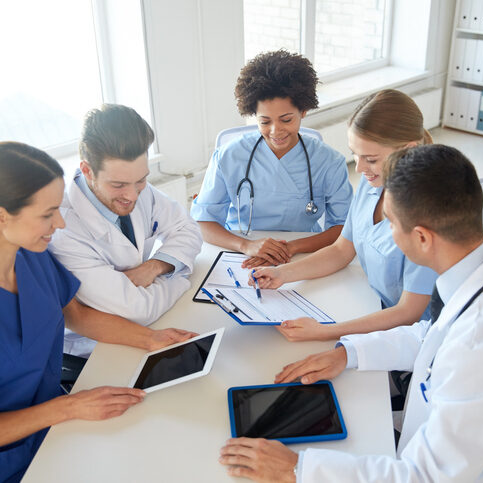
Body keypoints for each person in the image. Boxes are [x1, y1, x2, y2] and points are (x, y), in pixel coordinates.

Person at [219, 144, 483, 482]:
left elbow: (424, 477)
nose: (387, 230)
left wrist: (299, 469)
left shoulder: (481, 345)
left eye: (391, 222)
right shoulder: (476, 270)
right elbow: (432, 336)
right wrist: (349, 352)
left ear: (422, 238)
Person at [0, 142, 198, 483]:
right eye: (48, 214)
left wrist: (152, 339)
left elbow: (77, 313)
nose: (60, 223)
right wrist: (71, 407)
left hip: (57, 428)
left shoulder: (31, 256)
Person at [252, 90, 437, 342]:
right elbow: (341, 250)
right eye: (355, 155)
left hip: (410, 336)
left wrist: (326, 332)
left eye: (370, 159)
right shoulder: (373, 182)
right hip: (367, 303)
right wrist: (284, 273)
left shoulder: (428, 214)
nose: (359, 168)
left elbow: (409, 313)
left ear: (408, 149)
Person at [49, 104, 202, 357]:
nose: (132, 195)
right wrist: (181, 277)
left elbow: (187, 227)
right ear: (87, 171)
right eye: (118, 185)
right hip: (98, 350)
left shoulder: (135, 187)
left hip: (158, 323)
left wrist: (155, 267)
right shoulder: (64, 229)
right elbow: (136, 309)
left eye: (141, 180)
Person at [190, 50, 352, 269]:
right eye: (265, 121)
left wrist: (291, 248)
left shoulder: (329, 162)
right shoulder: (229, 156)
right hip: (239, 253)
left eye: (286, 119)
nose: (276, 131)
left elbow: (344, 227)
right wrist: (246, 245)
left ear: (303, 111)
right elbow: (203, 222)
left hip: (303, 253)